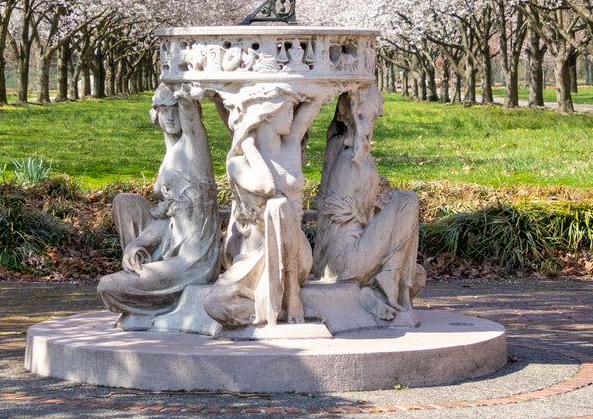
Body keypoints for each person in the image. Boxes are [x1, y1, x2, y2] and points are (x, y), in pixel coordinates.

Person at [204, 84, 322, 328]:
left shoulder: (290, 146)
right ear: (267, 114)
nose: (293, 115)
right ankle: (264, 303)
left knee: (278, 206)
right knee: (214, 304)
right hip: (253, 256)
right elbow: (267, 186)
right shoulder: (238, 164)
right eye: (288, 109)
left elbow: (314, 103)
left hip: (296, 255)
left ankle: (290, 292)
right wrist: (248, 145)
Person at [97, 83, 220, 318]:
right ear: (156, 114)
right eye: (164, 110)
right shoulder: (170, 156)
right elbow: (166, 219)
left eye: (175, 109)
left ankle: (150, 302)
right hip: (171, 245)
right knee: (125, 202)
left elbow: (191, 119)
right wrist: (139, 243)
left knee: (109, 286)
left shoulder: (194, 147)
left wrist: (183, 81)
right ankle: (137, 263)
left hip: (193, 260)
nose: (171, 117)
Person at [312, 84, 423, 320]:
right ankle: (387, 285)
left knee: (417, 273)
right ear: (360, 114)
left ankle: (381, 286)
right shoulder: (357, 162)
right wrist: (383, 194)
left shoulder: (335, 144)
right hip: (347, 262)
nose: (379, 116)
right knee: (408, 201)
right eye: (375, 114)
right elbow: (369, 213)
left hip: (325, 260)